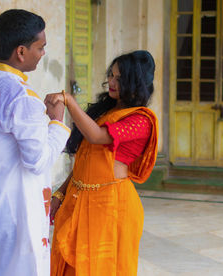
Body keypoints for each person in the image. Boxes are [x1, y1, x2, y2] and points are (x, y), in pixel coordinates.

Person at [0, 9, 70, 276]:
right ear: (21, 52)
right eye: (40, 47)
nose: (43, 53)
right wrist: (56, 122)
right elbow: (38, 160)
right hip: (14, 214)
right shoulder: (21, 98)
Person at [46, 50, 158, 276]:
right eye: (111, 75)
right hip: (79, 199)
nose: (112, 82)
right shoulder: (106, 110)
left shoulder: (141, 120)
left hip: (112, 208)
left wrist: (69, 101)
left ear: (135, 82)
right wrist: (60, 193)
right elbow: (85, 160)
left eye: (119, 78)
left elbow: (96, 136)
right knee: (69, 265)